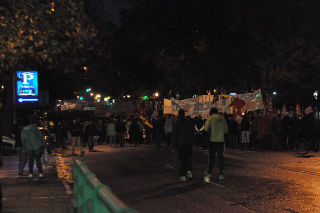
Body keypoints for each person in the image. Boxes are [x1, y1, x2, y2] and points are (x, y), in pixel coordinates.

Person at [204, 108, 228, 182]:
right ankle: (220, 174)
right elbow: (226, 130)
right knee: (221, 158)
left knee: (211, 157)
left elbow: (206, 129)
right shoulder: (223, 119)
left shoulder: (210, 118)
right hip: (221, 141)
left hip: (212, 140)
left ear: (211, 112)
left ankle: (210, 172)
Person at [172, 109, 195, 182]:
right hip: (188, 144)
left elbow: (175, 135)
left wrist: (173, 146)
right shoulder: (189, 123)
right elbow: (192, 133)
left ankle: (182, 175)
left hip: (181, 144)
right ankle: (189, 171)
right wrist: (192, 142)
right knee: (188, 158)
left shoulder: (177, 123)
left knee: (181, 160)